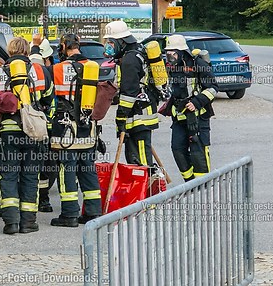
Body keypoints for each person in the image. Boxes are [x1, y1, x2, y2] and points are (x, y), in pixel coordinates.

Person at [0, 37, 55, 235]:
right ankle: (28, 221)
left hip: (8, 132)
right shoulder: (40, 71)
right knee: (31, 176)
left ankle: (11, 223)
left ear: (10, 51)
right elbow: (49, 97)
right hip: (33, 132)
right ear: (28, 51)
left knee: (8, 176)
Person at [50, 33, 102, 227]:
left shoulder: (57, 68)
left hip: (66, 129)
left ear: (64, 46)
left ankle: (70, 214)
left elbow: (48, 95)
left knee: (67, 170)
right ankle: (93, 212)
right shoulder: (93, 67)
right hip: (88, 128)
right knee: (88, 168)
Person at [104, 20, 160, 169]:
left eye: (111, 42)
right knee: (138, 157)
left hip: (138, 116)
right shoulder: (137, 52)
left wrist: (120, 118)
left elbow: (129, 93)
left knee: (141, 162)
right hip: (141, 113)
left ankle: (149, 190)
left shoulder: (129, 59)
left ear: (121, 41)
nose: (108, 46)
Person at [164, 34, 218, 181]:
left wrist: (196, 102)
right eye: (168, 53)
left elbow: (213, 88)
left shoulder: (198, 64)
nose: (170, 56)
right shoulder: (172, 67)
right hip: (179, 118)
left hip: (198, 117)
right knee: (177, 150)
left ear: (181, 51)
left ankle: (203, 184)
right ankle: (189, 182)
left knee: (197, 151)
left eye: (173, 53)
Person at [29, 36, 56, 212]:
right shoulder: (45, 72)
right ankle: (43, 201)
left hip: (29, 125)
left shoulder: (24, 71)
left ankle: (37, 200)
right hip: (43, 126)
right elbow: (51, 101)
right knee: (45, 165)